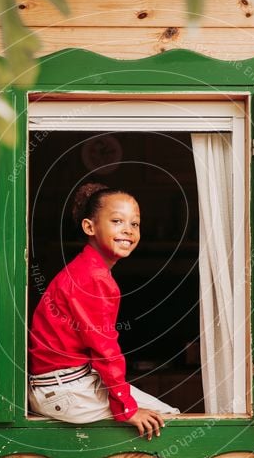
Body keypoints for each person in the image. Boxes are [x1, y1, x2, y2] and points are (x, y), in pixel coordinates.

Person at [28, 182, 180, 439]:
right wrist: (128, 408)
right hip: (64, 390)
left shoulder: (89, 270)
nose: (128, 231)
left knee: (164, 415)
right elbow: (104, 348)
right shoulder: (92, 277)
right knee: (167, 425)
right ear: (90, 227)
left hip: (66, 384)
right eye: (117, 221)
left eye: (135, 224)